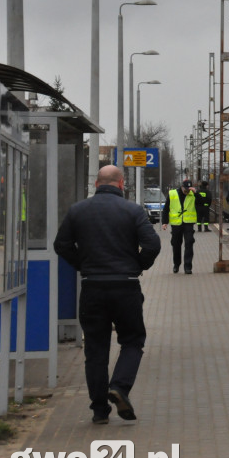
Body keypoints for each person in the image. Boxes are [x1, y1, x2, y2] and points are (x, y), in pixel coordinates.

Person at [53, 165, 161, 424]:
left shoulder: (77, 211)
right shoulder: (133, 210)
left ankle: (100, 411)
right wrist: (138, 265)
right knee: (133, 340)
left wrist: (82, 265)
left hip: (92, 287)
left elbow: (61, 245)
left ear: (96, 184)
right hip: (125, 286)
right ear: (121, 184)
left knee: (96, 349)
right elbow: (153, 244)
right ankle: (120, 387)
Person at [162, 178, 198, 274]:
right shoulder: (172, 193)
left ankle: (188, 267)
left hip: (188, 223)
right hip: (176, 224)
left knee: (189, 243)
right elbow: (166, 209)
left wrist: (196, 193)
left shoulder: (193, 194)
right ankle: (176, 264)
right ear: (182, 187)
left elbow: (203, 203)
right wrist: (164, 222)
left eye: (189, 189)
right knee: (176, 244)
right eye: (186, 189)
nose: (187, 191)